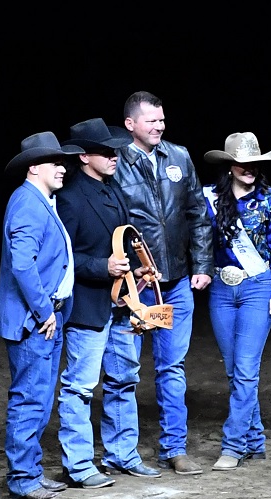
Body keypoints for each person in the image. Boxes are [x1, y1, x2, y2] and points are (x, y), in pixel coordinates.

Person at [55, 118, 162, 489]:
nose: (114, 156)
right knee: (81, 387)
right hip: (89, 305)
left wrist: (140, 270)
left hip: (121, 303)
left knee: (124, 380)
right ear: (85, 156)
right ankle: (79, 465)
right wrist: (102, 266)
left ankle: (122, 455)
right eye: (105, 151)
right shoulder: (69, 198)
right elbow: (61, 258)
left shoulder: (112, 189)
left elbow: (122, 242)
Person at [113, 91, 213, 475]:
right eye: (151, 121)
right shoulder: (117, 162)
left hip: (175, 283)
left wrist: (201, 263)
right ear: (130, 125)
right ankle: (124, 452)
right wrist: (125, 272)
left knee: (172, 367)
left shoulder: (179, 156)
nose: (158, 127)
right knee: (125, 370)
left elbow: (197, 215)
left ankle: (175, 448)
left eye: (161, 120)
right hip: (137, 285)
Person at [0, 131, 84, 499]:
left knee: (40, 399)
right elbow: (22, 263)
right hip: (35, 320)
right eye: (55, 162)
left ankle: (30, 472)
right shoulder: (29, 203)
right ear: (34, 168)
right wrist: (45, 309)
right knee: (30, 398)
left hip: (47, 317)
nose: (63, 169)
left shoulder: (40, 199)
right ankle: (22, 478)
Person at [201, 132, 271, 471]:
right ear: (229, 165)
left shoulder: (269, 199)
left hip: (257, 287)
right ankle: (256, 439)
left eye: (255, 162)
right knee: (233, 370)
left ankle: (233, 446)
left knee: (246, 370)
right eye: (243, 162)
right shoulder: (208, 198)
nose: (249, 167)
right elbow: (200, 242)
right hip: (222, 289)